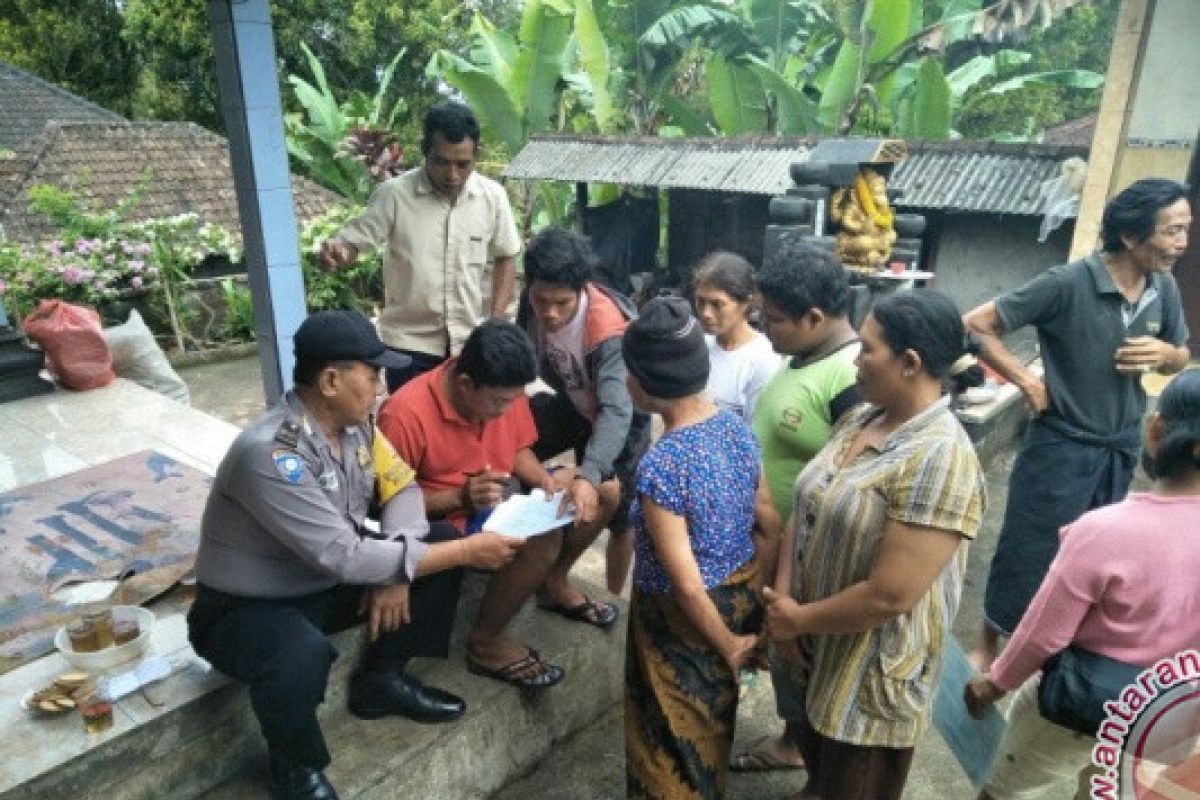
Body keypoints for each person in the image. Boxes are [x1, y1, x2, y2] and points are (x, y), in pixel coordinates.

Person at [187, 310, 524, 800]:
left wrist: (398, 564)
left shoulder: (356, 430)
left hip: (319, 585)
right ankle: (295, 766)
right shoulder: (273, 454)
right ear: (330, 380)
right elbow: (342, 557)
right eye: (372, 375)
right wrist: (463, 550)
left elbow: (403, 487)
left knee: (431, 539)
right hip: (245, 609)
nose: (381, 387)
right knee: (299, 652)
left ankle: (381, 680)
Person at [762, 290, 987, 800]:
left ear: (910, 363)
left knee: (855, 783)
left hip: (869, 674)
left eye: (866, 349)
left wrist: (797, 620)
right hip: (814, 639)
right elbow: (807, 500)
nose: (856, 360)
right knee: (824, 775)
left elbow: (891, 595)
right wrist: (785, 603)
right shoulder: (863, 417)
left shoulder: (941, 458)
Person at [964, 178, 1192, 670]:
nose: (1181, 244)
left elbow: (1182, 354)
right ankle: (989, 641)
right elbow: (977, 324)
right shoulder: (1068, 283)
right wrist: (1028, 382)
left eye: (1185, 231)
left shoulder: (1164, 288)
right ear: (1130, 236)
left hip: (1120, 445)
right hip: (1060, 443)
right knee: (1029, 545)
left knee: (1098, 554)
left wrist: (1168, 355)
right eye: (1172, 231)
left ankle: (1059, 646)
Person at [964, 369, 1200, 800]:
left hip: (1074, 705)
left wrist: (994, 682)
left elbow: (1042, 634)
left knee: (1005, 793)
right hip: (1163, 721)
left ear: (1155, 430)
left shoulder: (1103, 531)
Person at [621, 296, 783, 800]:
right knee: (711, 721)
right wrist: (754, 613)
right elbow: (769, 521)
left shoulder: (663, 465)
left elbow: (685, 582)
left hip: (681, 620)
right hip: (739, 592)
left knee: (668, 736)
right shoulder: (736, 428)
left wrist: (728, 643)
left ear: (644, 385)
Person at [377, 320, 571, 688]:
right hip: (448, 525)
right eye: (499, 402)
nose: (507, 409)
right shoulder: (403, 415)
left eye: (514, 400)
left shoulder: (505, 393)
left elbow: (517, 449)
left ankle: (546, 590)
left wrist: (547, 482)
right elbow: (383, 508)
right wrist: (459, 497)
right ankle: (485, 643)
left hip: (500, 504)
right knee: (542, 540)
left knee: (590, 499)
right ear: (465, 384)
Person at [730, 241, 861, 775]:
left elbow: (850, 479)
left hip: (807, 554)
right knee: (785, 650)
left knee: (802, 654)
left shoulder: (850, 378)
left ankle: (809, 756)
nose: (765, 329)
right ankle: (794, 738)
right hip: (775, 545)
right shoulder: (802, 354)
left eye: (776, 320)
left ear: (815, 317)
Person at [320, 100, 521, 392]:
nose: (452, 174)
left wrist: (496, 319)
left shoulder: (493, 197)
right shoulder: (394, 195)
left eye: (463, 164)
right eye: (442, 162)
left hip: (470, 345)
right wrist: (337, 253)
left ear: (475, 155)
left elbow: (506, 256)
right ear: (425, 150)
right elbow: (352, 242)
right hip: (409, 346)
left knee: (464, 431)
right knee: (411, 434)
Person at [518, 227, 651, 602]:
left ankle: (608, 594)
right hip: (573, 402)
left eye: (561, 303)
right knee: (511, 443)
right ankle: (528, 560)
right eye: (541, 300)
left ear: (581, 290)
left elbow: (615, 412)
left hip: (621, 419)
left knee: (617, 512)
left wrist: (589, 474)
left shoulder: (608, 332)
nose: (550, 313)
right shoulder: (531, 303)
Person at [691, 250, 781, 420]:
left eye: (717, 304)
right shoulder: (698, 346)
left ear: (746, 303)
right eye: (701, 302)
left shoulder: (762, 359)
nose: (706, 313)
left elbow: (756, 432)